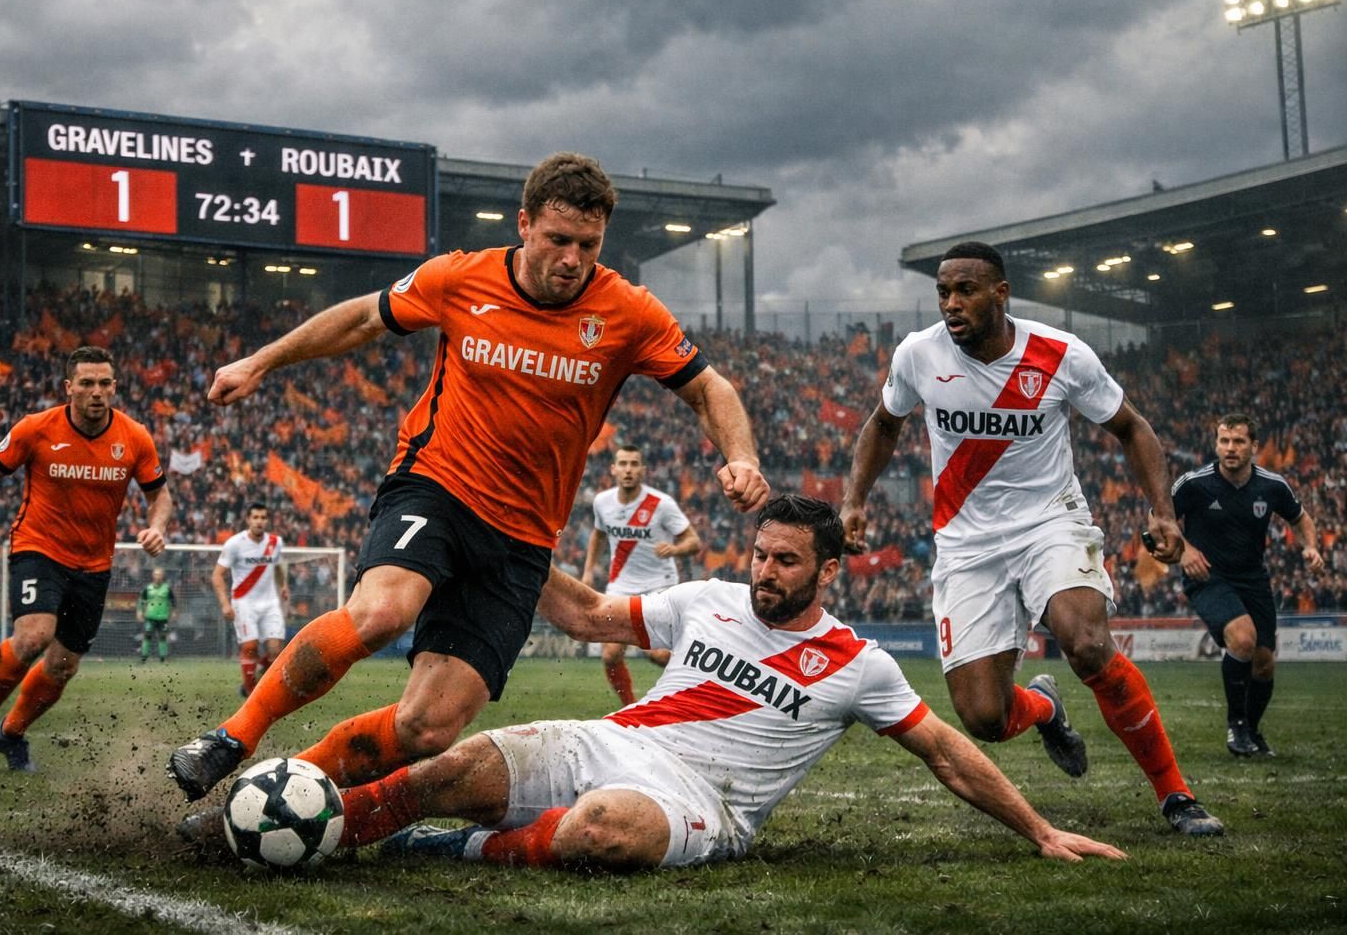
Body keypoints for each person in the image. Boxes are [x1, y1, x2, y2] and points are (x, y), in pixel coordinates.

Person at [168, 152, 768, 802]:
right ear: (524, 225)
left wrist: (743, 458)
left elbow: (709, 388)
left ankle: (276, 796)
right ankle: (232, 738)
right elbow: (365, 317)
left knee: (427, 727)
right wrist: (263, 360)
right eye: (558, 241)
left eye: (588, 246)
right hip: (436, 486)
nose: (572, 259)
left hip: (521, 539)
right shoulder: (460, 279)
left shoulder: (627, 311)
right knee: (381, 613)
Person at [216, 496, 1124, 871]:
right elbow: (589, 617)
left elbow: (948, 755)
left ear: (825, 572)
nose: (764, 573)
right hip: (616, 738)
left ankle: (451, 851)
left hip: (703, 804)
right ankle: (319, 838)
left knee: (601, 830)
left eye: (785, 563)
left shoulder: (861, 665)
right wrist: (508, 547)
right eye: (761, 555)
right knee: (437, 773)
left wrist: (1040, 832)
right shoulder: (708, 600)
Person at [839, 241, 1222, 837]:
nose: (951, 303)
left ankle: (1177, 796)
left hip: (1051, 521)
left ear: (1001, 293)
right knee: (984, 718)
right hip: (967, 546)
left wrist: (1163, 512)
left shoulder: (1060, 353)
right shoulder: (918, 354)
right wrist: (855, 499)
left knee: (1087, 643)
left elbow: (1132, 428)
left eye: (965, 290)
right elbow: (884, 424)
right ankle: (1044, 704)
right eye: (943, 292)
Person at [0, 345, 171, 773]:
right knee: (33, 636)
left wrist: (157, 526)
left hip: (95, 564)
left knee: (62, 666)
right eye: (86, 383)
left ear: (115, 387)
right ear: (69, 388)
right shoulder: (36, 429)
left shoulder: (134, 436)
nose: (96, 392)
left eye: (105, 383)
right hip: (38, 547)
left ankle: (10, 732)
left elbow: (160, 495)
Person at [1172, 412, 1325, 757]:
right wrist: (1185, 552)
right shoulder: (1195, 483)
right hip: (1208, 576)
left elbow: (1301, 519)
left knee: (1264, 662)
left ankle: (1252, 731)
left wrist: (1311, 546)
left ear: (1253, 447)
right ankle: (1236, 727)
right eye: (1224, 440)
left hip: (1253, 578)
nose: (1230, 448)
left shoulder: (1272, 485)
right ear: (1216, 443)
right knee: (1242, 638)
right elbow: (1158, 517)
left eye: (1238, 441)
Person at [580, 443, 701, 704]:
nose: (628, 470)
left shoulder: (662, 504)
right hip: (620, 586)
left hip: (659, 586)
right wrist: (588, 571)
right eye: (623, 464)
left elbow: (694, 543)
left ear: (643, 470)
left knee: (658, 655)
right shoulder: (602, 502)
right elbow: (598, 535)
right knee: (610, 654)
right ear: (613, 469)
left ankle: (695, 688)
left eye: (634, 464)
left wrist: (675, 549)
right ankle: (629, 708)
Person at [213, 503, 290, 695]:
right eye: (255, 517)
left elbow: (279, 567)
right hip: (243, 602)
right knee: (250, 646)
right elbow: (217, 575)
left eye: (263, 517)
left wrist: (283, 585)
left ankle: (254, 681)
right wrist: (224, 604)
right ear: (248, 519)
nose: (259, 521)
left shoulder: (275, 542)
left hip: (270, 602)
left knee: (276, 651)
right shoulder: (234, 544)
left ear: (267, 520)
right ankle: (250, 691)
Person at [138, 566, 176, 664]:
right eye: (155, 574)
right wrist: (139, 611)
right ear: (152, 575)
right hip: (150, 617)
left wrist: (174, 612)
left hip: (163, 617)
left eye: (159, 574)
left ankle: (163, 658)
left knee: (163, 637)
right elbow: (142, 600)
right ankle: (144, 657)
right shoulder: (148, 588)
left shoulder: (167, 588)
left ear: (162, 576)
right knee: (147, 636)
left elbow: (173, 601)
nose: (157, 576)